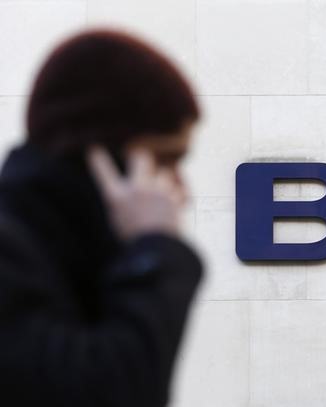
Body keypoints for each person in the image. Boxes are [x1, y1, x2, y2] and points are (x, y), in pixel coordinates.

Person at [0, 30, 203, 406]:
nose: (179, 188)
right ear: (102, 157)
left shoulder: (76, 259)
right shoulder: (11, 258)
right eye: (163, 159)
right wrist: (153, 253)